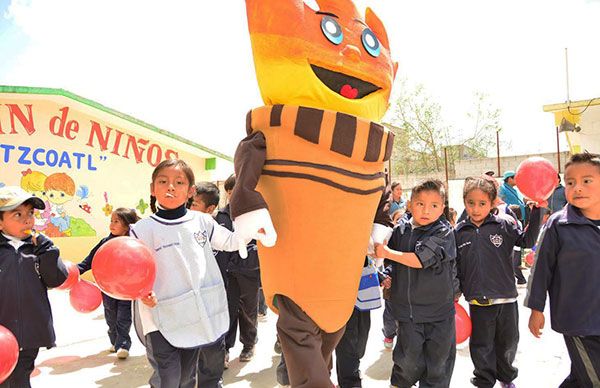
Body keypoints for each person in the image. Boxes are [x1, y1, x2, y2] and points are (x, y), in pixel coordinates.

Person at [131, 159, 245, 388]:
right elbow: (131, 272)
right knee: (168, 379)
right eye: (163, 181)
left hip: (194, 315)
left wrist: (252, 225)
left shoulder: (203, 221)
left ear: (190, 190)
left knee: (186, 377)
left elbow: (233, 242)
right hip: (159, 316)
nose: (170, 187)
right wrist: (141, 292)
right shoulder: (141, 230)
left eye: (179, 182)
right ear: (152, 189)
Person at [455, 176, 542, 388]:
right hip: (478, 302)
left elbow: (526, 241)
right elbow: (454, 267)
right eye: (471, 203)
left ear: (493, 202)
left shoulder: (505, 224)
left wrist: (537, 210)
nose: (476, 209)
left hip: (506, 298)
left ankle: (506, 378)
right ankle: (484, 381)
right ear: (464, 202)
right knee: (481, 345)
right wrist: (454, 292)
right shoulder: (458, 232)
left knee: (508, 343)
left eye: (482, 203)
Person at [525, 152, 600, 387]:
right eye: (570, 182)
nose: (577, 188)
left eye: (586, 181)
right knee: (594, 378)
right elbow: (541, 269)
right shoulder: (558, 224)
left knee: (582, 375)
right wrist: (536, 308)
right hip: (578, 319)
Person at [374, 179, 458, 388]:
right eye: (420, 204)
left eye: (434, 206)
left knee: (437, 365)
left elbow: (421, 259)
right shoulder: (401, 230)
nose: (426, 210)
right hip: (408, 314)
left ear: (442, 209)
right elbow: (391, 260)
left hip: (439, 315)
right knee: (406, 361)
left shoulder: (443, 232)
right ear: (410, 204)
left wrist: (386, 252)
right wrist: (387, 273)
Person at [0, 186, 68, 388]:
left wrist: (49, 252)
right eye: (17, 214)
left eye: (30, 213)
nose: (27, 219)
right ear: (0, 222)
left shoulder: (39, 248)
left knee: (20, 378)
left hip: (29, 333)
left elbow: (56, 279)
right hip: (3, 332)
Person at [77, 207, 140, 360]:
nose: (111, 224)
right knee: (110, 316)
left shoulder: (133, 243)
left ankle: (123, 344)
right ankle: (114, 341)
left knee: (123, 318)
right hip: (107, 288)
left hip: (126, 289)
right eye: (111, 221)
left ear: (127, 225)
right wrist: (76, 271)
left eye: (116, 221)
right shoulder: (105, 242)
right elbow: (90, 260)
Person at [217, 175, 260, 367]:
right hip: (227, 272)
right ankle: (225, 348)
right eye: (236, 189)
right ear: (228, 191)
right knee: (228, 310)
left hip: (249, 271)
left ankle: (249, 344)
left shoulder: (255, 215)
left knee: (249, 310)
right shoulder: (220, 216)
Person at [335, 256, 390, 388]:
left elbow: (364, 257)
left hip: (363, 295)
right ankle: (350, 382)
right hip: (341, 292)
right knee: (348, 343)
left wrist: (379, 275)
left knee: (359, 343)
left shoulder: (360, 236)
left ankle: (350, 376)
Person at [506, 205, 527, 286]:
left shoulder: (516, 222)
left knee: (515, 266)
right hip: (515, 247)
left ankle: (521, 279)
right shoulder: (517, 222)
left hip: (517, 247)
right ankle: (520, 280)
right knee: (513, 265)